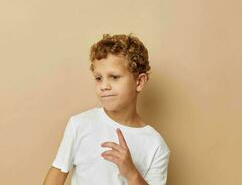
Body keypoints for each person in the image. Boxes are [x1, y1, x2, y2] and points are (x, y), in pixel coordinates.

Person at [43, 34, 171, 185]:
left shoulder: (155, 145)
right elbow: (57, 174)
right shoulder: (80, 124)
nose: (104, 86)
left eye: (114, 77)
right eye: (98, 78)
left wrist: (131, 173)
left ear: (139, 82)